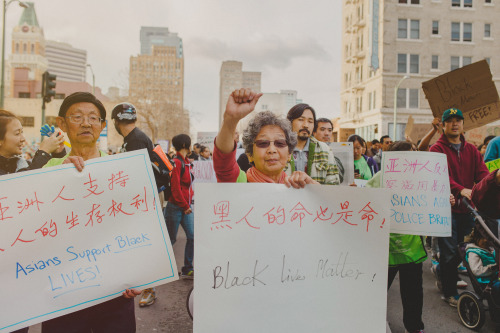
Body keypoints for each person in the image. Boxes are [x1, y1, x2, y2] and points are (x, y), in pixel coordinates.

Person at [41, 92, 141, 333]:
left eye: (93, 118)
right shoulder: (46, 170)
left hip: (114, 291)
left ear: (102, 126)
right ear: (62, 124)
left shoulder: (121, 171)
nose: (86, 123)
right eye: (77, 117)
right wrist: (54, 180)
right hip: (63, 295)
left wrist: (138, 275)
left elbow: (136, 226)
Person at [0, 110, 65, 333]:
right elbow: (21, 195)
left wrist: (58, 150)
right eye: (17, 133)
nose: (23, 139)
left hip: (19, 276)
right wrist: (43, 153)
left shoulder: (16, 163)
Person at [366, 141, 429, 333]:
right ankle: (370, 323)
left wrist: (446, 200)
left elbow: (433, 202)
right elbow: (364, 201)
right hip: (386, 246)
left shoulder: (423, 180)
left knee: (413, 293)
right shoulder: (380, 177)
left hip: (412, 246)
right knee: (376, 291)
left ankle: (414, 327)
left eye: (414, 155)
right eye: (407, 156)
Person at [429, 108, 490, 307]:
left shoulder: (472, 150)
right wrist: (460, 189)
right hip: (445, 209)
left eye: (458, 120)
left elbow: (481, 175)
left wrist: (490, 184)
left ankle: (443, 274)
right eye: (450, 121)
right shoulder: (436, 150)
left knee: (464, 252)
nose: (455, 124)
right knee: (449, 253)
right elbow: (439, 177)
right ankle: (449, 292)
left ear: (463, 124)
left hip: (469, 210)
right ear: (443, 125)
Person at [213, 88, 317, 189]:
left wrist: (313, 189)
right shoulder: (239, 183)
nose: (272, 150)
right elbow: (224, 163)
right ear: (250, 155)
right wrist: (230, 119)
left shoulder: (297, 187)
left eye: (280, 143)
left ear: (289, 154)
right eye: (263, 143)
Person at [110, 102, 158, 307]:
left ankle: (149, 288)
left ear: (116, 121)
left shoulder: (136, 140)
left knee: (143, 247)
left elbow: (134, 176)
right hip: (139, 201)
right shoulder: (134, 138)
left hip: (140, 203)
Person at [285, 104, 340, 185]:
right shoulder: (279, 148)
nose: (306, 125)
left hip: (316, 197)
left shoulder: (324, 150)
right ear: (289, 122)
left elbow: (334, 185)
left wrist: (312, 183)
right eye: (301, 119)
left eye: (310, 121)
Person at [164, 134, 195, 279]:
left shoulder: (187, 162)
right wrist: (184, 205)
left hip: (185, 207)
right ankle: (163, 270)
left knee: (193, 236)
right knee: (170, 240)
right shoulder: (176, 163)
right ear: (185, 145)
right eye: (189, 143)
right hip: (175, 207)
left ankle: (187, 268)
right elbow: (175, 189)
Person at [464, 229, 499, 303]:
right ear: (476, 238)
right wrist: (492, 267)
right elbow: (476, 271)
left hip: (496, 277)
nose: (486, 241)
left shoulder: (490, 248)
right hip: (487, 282)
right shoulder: (473, 252)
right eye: (484, 238)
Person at [313, 118, 345, 183]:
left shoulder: (334, 158)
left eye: (329, 130)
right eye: (322, 130)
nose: (327, 133)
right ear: (314, 132)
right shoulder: (308, 153)